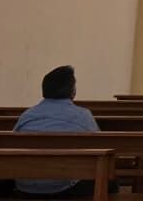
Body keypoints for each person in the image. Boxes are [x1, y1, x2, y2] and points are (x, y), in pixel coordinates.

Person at [11, 66, 119, 199]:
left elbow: (12, 145)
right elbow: (98, 148)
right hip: (65, 187)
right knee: (111, 181)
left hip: (26, 186)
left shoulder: (27, 116)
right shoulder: (83, 116)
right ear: (73, 91)